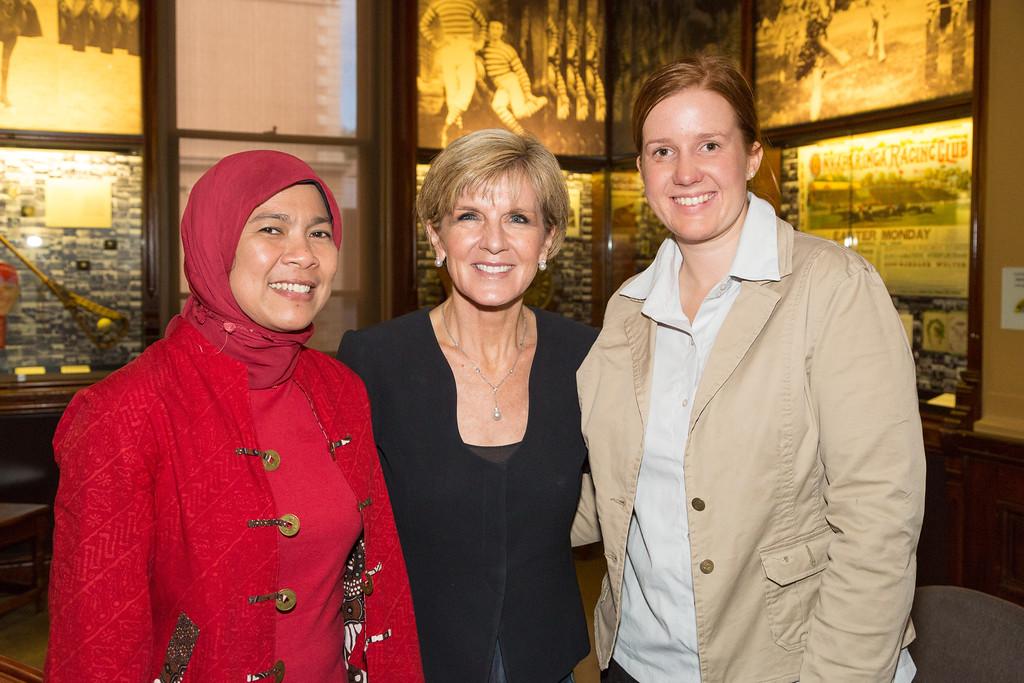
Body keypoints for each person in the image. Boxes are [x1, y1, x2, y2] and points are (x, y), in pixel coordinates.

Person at [572, 56, 925, 682]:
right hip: (634, 663)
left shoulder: (832, 287)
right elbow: (606, 495)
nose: (686, 172)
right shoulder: (627, 311)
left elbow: (878, 520)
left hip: (786, 666)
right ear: (641, 171)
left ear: (753, 156)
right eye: (662, 151)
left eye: (710, 144)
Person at [46, 150, 423, 682]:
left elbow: (378, 587)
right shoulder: (123, 413)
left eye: (319, 233)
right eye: (273, 228)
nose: (305, 256)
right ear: (214, 241)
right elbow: (96, 651)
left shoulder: (340, 392)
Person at [339, 129, 593, 682]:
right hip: (414, 661)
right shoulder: (372, 361)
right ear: (436, 236)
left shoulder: (588, 359)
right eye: (469, 216)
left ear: (548, 241)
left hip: (548, 664)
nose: (494, 242)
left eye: (519, 219)